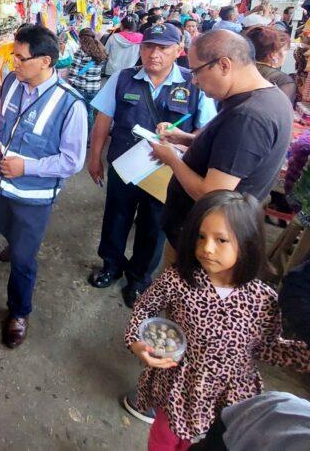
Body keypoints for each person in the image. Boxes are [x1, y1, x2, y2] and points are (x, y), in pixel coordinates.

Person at [125, 191, 310, 448]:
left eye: (221, 240)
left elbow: (267, 347)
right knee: (165, 440)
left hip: (227, 399)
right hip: (178, 389)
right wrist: (136, 341)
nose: (207, 248)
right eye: (201, 237)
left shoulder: (263, 300)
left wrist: (303, 356)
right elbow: (144, 308)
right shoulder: (178, 280)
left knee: (208, 443)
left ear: (248, 244)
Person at [88, 24, 216, 307]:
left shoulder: (194, 84)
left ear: (178, 51)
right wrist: (94, 158)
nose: (153, 54)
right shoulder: (123, 79)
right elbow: (102, 121)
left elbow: (206, 133)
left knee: (154, 225)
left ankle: (139, 279)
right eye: (148, 47)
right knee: (116, 217)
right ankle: (111, 265)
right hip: (124, 167)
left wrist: (181, 142)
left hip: (166, 173)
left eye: (163, 48)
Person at [152, 30, 294, 262]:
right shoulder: (269, 97)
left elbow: (213, 193)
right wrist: (186, 138)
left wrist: (172, 159)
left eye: (196, 71)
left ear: (224, 65)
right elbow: (235, 154)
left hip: (205, 243)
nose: (194, 81)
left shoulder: (248, 117)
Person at [0, 24, 88, 348]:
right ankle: (13, 241)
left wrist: (27, 166)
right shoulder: (14, 82)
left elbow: (72, 162)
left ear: (45, 61)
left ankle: (18, 312)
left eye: (20, 58)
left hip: (34, 195)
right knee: (0, 223)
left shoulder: (71, 105)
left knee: (24, 259)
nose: (14, 63)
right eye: (13, 56)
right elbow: (2, 119)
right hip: (2, 183)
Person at [69, 27, 108, 131]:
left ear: (81, 38)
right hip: (94, 88)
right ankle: (88, 138)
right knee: (89, 113)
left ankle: (79, 135)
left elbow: (74, 70)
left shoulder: (81, 51)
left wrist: (70, 83)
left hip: (81, 87)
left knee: (78, 113)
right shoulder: (101, 50)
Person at [242, 25, 295, 101]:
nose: (286, 53)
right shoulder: (282, 81)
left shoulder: (239, 68)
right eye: (285, 49)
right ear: (274, 55)